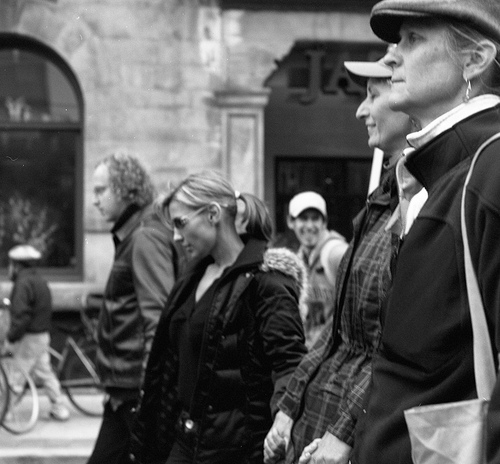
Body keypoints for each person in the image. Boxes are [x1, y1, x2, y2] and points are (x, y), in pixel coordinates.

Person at [350, 1, 500, 463]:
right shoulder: (450, 173)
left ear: (475, 60)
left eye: (413, 40)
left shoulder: (489, 172)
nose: (392, 55)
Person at [263, 55, 416, 464]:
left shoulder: (423, 202)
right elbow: (336, 336)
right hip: (322, 421)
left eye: (372, 96)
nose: (361, 110)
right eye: (301, 219)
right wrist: (288, 407)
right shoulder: (380, 203)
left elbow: (394, 349)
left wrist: (343, 433)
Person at [130, 170, 308, 464]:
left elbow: (290, 363)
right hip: (186, 441)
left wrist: (283, 421)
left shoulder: (266, 282)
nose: (175, 236)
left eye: (180, 223)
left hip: (237, 450)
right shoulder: (192, 277)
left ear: (213, 214)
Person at [88, 152, 181, 464]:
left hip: (134, 392)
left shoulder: (144, 237)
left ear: (125, 189)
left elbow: (158, 319)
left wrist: (148, 393)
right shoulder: (133, 234)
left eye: (101, 190)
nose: (94, 200)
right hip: (122, 393)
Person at [3, 244, 70, 421]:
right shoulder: (40, 281)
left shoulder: (23, 284)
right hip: (42, 335)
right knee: (45, 373)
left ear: (16, 265)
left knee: (17, 376)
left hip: (29, 338)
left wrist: (11, 337)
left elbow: (21, 315)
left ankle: (5, 412)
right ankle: (59, 407)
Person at [287, 192, 348, 347]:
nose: (309, 225)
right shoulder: (299, 260)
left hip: (336, 353)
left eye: (315, 218)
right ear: (291, 222)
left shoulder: (335, 253)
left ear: (324, 222)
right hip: (312, 354)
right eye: (303, 218)